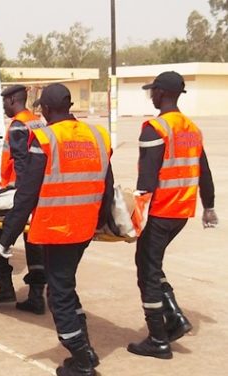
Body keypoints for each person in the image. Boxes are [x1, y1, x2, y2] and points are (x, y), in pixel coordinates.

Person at [0, 83, 113, 376]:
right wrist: (101, 221)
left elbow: (27, 193)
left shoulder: (46, 138)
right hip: (85, 227)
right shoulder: (97, 135)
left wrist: (7, 236)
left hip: (57, 228)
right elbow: (107, 184)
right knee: (66, 285)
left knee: (58, 295)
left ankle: (83, 360)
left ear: (46, 110)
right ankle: (83, 346)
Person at [127, 71, 218, 359]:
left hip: (160, 211)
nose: (151, 96)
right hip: (181, 212)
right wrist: (209, 206)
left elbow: (147, 182)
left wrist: (134, 219)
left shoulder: (156, 128)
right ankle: (175, 319)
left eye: (152, 91)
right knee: (151, 264)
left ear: (162, 93)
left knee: (147, 273)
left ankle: (158, 338)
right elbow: (204, 171)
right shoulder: (191, 128)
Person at [0, 85, 47, 315]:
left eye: (4, 102)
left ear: (12, 100)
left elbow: (21, 165)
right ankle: (36, 296)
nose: (3, 106)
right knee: (34, 244)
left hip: (19, 193)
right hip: (38, 191)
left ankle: (6, 287)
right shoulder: (38, 121)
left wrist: (21, 199)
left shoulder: (19, 126)